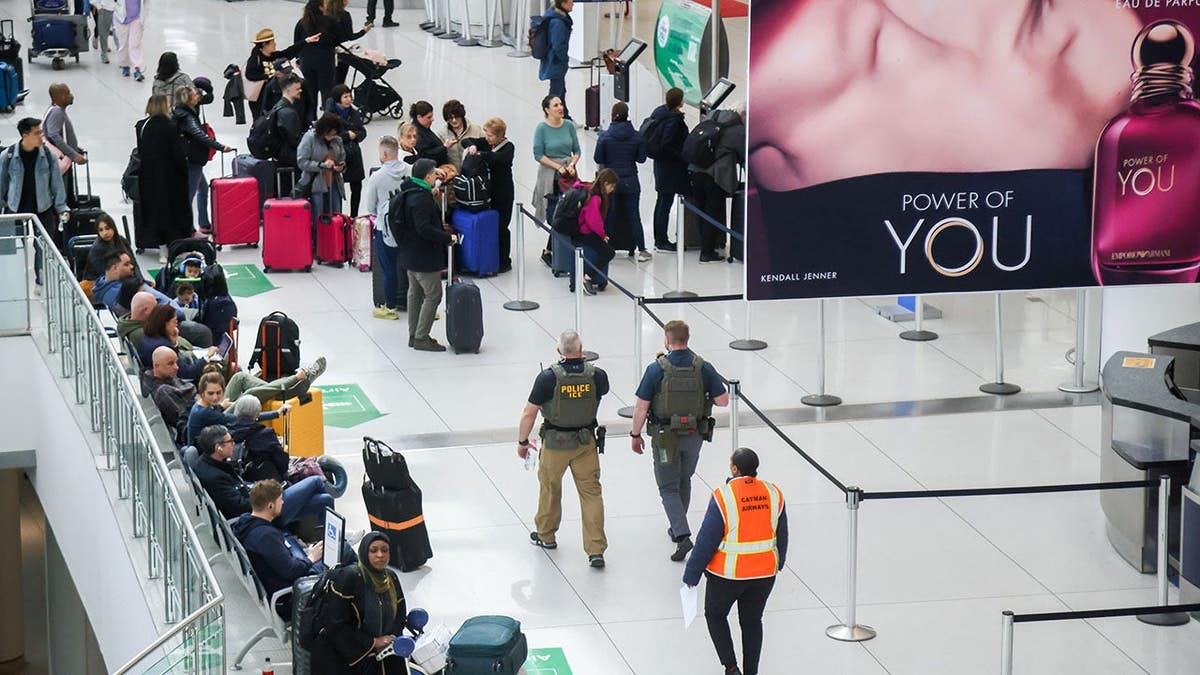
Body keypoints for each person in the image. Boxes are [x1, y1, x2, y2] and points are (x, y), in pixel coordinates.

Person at [631, 319, 730, 561]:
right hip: (695, 433)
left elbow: (641, 407)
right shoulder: (703, 367)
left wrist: (635, 435)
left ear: (667, 340)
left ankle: (682, 535)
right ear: (687, 339)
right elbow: (723, 400)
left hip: (666, 437)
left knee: (667, 485)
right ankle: (678, 523)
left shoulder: (657, 369)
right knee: (684, 478)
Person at [683, 448, 788, 675]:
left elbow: (706, 540)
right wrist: (779, 562)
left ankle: (731, 668)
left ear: (734, 468)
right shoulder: (773, 493)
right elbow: (783, 534)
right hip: (764, 575)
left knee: (715, 615)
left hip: (727, 576)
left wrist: (692, 575)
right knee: (752, 621)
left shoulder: (724, 496)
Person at [517, 330, 609, 568]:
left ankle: (546, 535)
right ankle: (595, 550)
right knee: (591, 494)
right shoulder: (597, 376)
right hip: (585, 442)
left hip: (555, 444)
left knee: (550, 488)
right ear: (582, 350)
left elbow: (530, 412)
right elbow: (600, 393)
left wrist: (522, 441)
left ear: (559, 351)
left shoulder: (547, 378)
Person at [232, 481, 358, 619]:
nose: (283, 503)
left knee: (336, 554)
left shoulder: (245, 522)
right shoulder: (266, 536)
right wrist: (311, 557)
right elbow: (292, 571)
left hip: (281, 580)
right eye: (281, 500)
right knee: (343, 550)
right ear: (270, 506)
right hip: (293, 594)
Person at [310, 532, 411, 674]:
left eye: (384, 550)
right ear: (364, 552)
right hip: (344, 652)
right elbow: (335, 624)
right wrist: (373, 642)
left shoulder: (391, 578)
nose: (380, 555)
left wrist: (391, 638)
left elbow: (400, 614)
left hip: (383, 649)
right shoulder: (350, 578)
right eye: (374, 550)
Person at [193, 424, 335, 523]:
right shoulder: (215, 477)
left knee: (325, 499)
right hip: (264, 511)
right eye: (230, 441)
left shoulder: (208, 463)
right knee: (316, 481)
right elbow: (241, 505)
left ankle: (335, 543)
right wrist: (269, 494)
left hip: (261, 502)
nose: (233, 443)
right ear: (219, 448)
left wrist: (258, 487)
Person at [397, 159, 457, 352]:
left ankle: (413, 334)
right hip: (424, 257)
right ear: (428, 176)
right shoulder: (421, 199)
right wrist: (447, 237)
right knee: (433, 295)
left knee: (414, 294)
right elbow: (424, 228)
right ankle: (422, 337)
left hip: (409, 254)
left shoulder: (409, 191)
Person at [0, 118, 70, 284]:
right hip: (15, 210)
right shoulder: (8, 156)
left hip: (43, 209)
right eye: (37, 133)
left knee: (44, 247)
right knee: (15, 247)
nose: (41, 136)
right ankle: (15, 281)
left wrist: (61, 208)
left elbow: (56, 184)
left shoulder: (47, 155)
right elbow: (1, 184)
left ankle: (41, 278)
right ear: (25, 135)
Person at [136, 94, 192, 263]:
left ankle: (162, 251)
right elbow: (177, 155)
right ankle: (176, 248)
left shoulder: (142, 126)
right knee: (173, 213)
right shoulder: (170, 126)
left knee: (156, 212)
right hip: (170, 179)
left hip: (149, 178)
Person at [173, 86, 234, 236]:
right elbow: (199, 135)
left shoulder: (181, 111)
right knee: (188, 196)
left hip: (187, 159)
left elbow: (209, 97)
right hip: (193, 161)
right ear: (188, 99)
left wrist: (206, 86)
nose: (198, 96)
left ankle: (204, 223)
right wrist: (221, 147)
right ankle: (188, 230)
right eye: (195, 94)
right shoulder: (187, 117)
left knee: (203, 188)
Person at [688, 104, 745, 263]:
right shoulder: (737, 130)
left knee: (701, 210)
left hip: (696, 170)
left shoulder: (711, 120)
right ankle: (707, 252)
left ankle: (706, 246)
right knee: (712, 211)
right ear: (744, 116)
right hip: (716, 176)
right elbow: (745, 154)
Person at [594, 101, 649, 260]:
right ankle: (642, 249)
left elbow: (598, 157)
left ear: (612, 115)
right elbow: (641, 159)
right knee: (634, 216)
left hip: (610, 181)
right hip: (631, 180)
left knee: (609, 214)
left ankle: (606, 247)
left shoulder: (604, 136)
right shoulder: (636, 136)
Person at [363, 135, 411, 318]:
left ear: (383, 153)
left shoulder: (377, 177)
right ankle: (417, 303)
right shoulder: (410, 170)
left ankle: (390, 307)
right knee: (413, 268)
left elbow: (370, 207)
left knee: (389, 269)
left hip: (387, 229)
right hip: (409, 227)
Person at [462, 117, 514, 271]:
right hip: (487, 191)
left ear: (500, 136)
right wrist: (472, 145)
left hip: (503, 193)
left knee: (502, 226)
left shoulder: (508, 147)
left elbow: (497, 158)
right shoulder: (486, 142)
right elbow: (466, 141)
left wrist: (480, 154)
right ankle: (490, 257)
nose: (487, 138)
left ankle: (504, 260)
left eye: (490, 136)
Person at [186, 371, 287, 446]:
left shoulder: (201, 405)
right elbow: (245, 418)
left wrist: (220, 406)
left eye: (218, 393)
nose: (215, 397)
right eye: (210, 393)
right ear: (202, 393)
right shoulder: (206, 413)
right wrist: (277, 413)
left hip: (205, 442)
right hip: (203, 450)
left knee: (240, 377)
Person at [532, 95, 579, 244]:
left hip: (568, 175)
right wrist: (558, 167)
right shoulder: (541, 128)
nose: (560, 108)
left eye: (561, 104)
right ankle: (553, 249)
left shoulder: (569, 126)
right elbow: (538, 155)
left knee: (569, 212)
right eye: (556, 105)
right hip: (550, 176)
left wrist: (571, 164)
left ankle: (552, 249)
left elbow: (576, 151)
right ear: (547, 110)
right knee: (554, 215)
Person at [648, 87, 689, 251]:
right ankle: (662, 240)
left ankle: (659, 237)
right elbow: (667, 144)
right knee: (665, 202)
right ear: (679, 101)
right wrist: (681, 156)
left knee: (661, 201)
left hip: (660, 165)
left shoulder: (660, 113)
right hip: (670, 168)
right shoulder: (674, 120)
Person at [245, 28, 317, 120]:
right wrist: (269, 75)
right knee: (261, 120)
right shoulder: (255, 58)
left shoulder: (275, 56)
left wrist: (306, 41)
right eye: (272, 42)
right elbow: (250, 74)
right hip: (260, 97)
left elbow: (289, 52)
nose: (275, 44)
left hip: (275, 95)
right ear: (264, 44)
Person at [138, 304, 212, 383]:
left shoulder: (147, 337)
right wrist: (207, 357)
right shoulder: (164, 346)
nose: (176, 325)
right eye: (174, 322)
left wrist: (174, 343)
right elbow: (187, 373)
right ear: (165, 324)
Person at [323, 84, 367, 217]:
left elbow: (362, 132)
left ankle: (354, 215)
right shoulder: (329, 116)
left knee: (356, 186)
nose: (349, 99)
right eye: (345, 97)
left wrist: (356, 135)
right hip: (337, 154)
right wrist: (347, 135)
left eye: (350, 96)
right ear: (338, 99)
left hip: (354, 153)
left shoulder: (354, 113)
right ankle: (338, 215)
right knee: (336, 187)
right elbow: (328, 135)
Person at [574, 170, 618, 294]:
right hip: (584, 232)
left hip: (580, 229)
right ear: (605, 183)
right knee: (609, 252)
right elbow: (593, 221)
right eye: (612, 186)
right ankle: (587, 278)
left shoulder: (590, 190)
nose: (612, 189)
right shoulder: (596, 197)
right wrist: (603, 235)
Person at [295, 0, 339, 120]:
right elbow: (338, 39)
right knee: (327, 91)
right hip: (325, 60)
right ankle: (328, 120)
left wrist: (298, 59)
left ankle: (311, 119)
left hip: (307, 61)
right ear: (320, 7)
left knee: (310, 91)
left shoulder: (302, 23)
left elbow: (297, 42)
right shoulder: (330, 21)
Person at [296, 113, 346, 220]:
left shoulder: (337, 140)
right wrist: (322, 165)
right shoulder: (309, 138)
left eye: (334, 134)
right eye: (329, 134)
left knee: (336, 216)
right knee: (317, 218)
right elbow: (302, 161)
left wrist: (341, 166)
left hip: (333, 182)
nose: (331, 137)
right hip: (315, 184)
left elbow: (342, 157)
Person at [229, 396, 289, 482]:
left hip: (240, 483)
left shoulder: (228, 433)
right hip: (268, 487)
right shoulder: (265, 434)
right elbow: (283, 463)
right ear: (258, 413)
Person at [140, 346, 198, 429]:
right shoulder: (163, 392)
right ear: (156, 366)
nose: (176, 367)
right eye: (170, 364)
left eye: (176, 362)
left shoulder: (153, 377)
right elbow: (187, 417)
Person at [43, 84, 87, 187]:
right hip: (61, 161)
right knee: (62, 191)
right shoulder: (57, 112)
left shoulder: (55, 110)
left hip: (63, 158)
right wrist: (74, 154)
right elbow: (53, 135)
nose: (71, 95)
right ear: (61, 96)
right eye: (68, 93)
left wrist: (73, 146)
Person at [93, 251, 170, 310]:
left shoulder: (100, 286)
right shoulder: (129, 290)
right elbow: (174, 310)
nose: (132, 266)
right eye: (126, 264)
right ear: (115, 268)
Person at [537, 0, 574, 121]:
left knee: (561, 90)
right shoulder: (558, 22)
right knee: (556, 92)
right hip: (556, 61)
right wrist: (564, 59)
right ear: (563, 4)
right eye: (570, 2)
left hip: (552, 60)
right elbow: (558, 45)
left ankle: (566, 117)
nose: (573, 3)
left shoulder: (553, 15)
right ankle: (552, 117)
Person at [269, 74, 307, 174]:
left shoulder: (277, 107)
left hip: (279, 156)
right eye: (298, 89)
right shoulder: (288, 112)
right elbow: (294, 140)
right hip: (289, 158)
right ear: (289, 90)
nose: (301, 91)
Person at [85, 213, 141, 280]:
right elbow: (107, 275)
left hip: (125, 278)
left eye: (107, 228)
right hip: (102, 283)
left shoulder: (122, 241)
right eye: (101, 230)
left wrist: (141, 280)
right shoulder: (97, 249)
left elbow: (134, 263)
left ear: (113, 227)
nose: (105, 233)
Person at [330, 0, 372, 85]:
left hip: (328, 52)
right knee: (340, 80)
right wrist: (364, 31)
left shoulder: (325, 14)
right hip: (342, 51)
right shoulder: (345, 15)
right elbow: (350, 36)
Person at [439, 99, 482, 169]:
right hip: (453, 177)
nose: (454, 120)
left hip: (474, 176)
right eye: (450, 118)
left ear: (462, 115)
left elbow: (487, 149)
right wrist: (444, 147)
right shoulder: (441, 134)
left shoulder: (476, 130)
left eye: (456, 117)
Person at [408, 100, 449, 165]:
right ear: (419, 117)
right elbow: (425, 154)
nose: (432, 119)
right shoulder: (416, 133)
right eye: (429, 117)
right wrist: (444, 147)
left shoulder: (424, 129)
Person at [118, 291, 158, 357]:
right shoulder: (141, 335)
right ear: (145, 311)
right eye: (155, 308)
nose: (157, 311)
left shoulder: (126, 323)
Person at [113, 0, 146, 81]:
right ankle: (125, 66)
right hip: (120, 18)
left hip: (136, 18)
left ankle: (137, 69)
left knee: (135, 44)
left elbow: (147, 4)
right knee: (123, 44)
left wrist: (145, 20)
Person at [91, 0, 116, 64]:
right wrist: (99, 7)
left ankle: (123, 59)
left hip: (119, 9)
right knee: (103, 33)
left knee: (118, 34)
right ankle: (104, 53)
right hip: (105, 8)